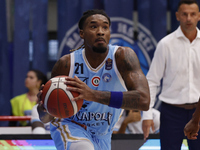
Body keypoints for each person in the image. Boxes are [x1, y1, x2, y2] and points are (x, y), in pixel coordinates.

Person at [37, 9, 150, 150]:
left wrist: (93, 95)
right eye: (93, 26)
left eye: (105, 27)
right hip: (70, 126)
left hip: (103, 135)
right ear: (82, 33)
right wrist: (44, 108)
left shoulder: (123, 57)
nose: (100, 31)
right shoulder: (66, 64)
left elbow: (144, 100)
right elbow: (46, 118)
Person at [142, 0, 200, 149]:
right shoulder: (166, 44)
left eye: (192, 14)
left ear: (198, 16)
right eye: (184, 14)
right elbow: (152, 81)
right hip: (171, 113)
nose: (188, 18)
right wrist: (147, 114)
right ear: (177, 16)